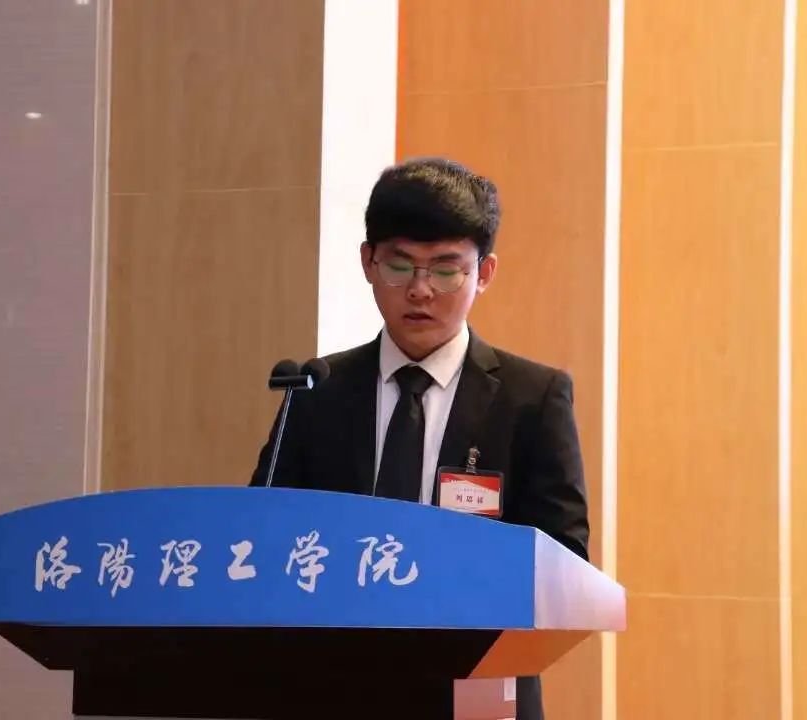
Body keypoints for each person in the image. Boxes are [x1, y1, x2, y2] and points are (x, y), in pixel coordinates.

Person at [250, 156, 590, 720]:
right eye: (399, 265)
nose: (420, 290)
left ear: (484, 272)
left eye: (446, 270)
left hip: (479, 690)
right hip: (334, 690)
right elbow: (263, 537)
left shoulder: (533, 398)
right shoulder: (316, 390)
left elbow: (564, 560)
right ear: (368, 262)